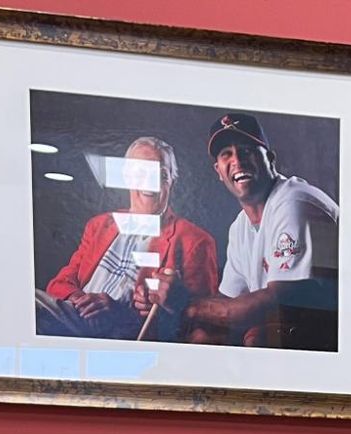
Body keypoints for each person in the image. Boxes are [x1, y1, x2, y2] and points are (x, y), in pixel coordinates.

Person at [137, 113, 338, 348]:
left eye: (247, 151)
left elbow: (279, 303)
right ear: (218, 171)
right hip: (298, 328)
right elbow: (228, 302)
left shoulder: (294, 202)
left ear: (270, 159)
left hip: (338, 334)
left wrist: (187, 305)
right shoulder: (240, 226)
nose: (238, 161)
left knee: (263, 336)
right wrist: (165, 299)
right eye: (226, 154)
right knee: (203, 337)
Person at [37, 137, 219, 341]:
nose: (151, 182)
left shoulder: (195, 241)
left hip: (126, 337)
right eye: (141, 172)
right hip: (75, 318)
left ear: (172, 182)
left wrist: (118, 313)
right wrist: (84, 303)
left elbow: (202, 326)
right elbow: (59, 283)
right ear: (126, 177)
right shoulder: (99, 225)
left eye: (161, 174)